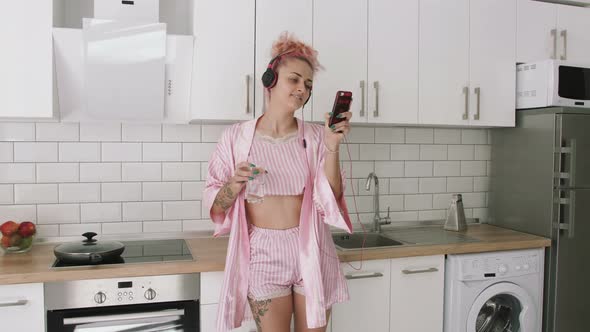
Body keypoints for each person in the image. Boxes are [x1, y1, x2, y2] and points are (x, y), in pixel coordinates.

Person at [203, 32, 353, 332]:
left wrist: (332, 145)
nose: (302, 89)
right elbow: (215, 203)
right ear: (270, 79)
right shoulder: (235, 138)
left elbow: (332, 196)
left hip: (311, 246)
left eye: (308, 85)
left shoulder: (313, 137)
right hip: (263, 253)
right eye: (294, 80)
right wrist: (233, 185)